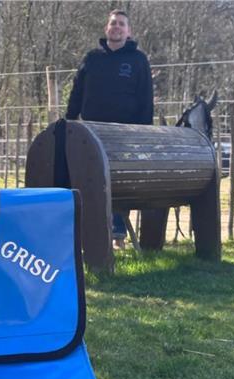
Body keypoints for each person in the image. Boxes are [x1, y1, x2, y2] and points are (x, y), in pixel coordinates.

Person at [65, 9, 154, 249]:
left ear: (129, 31)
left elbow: (146, 98)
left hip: (124, 134)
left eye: (121, 24)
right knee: (88, 178)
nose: (116, 27)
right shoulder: (92, 58)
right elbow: (77, 92)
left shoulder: (137, 60)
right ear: (107, 29)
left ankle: (118, 233)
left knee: (116, 182)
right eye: (113, 23)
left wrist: (144, 132)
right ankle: (88, 233)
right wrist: (69, 121)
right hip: (92, 131)